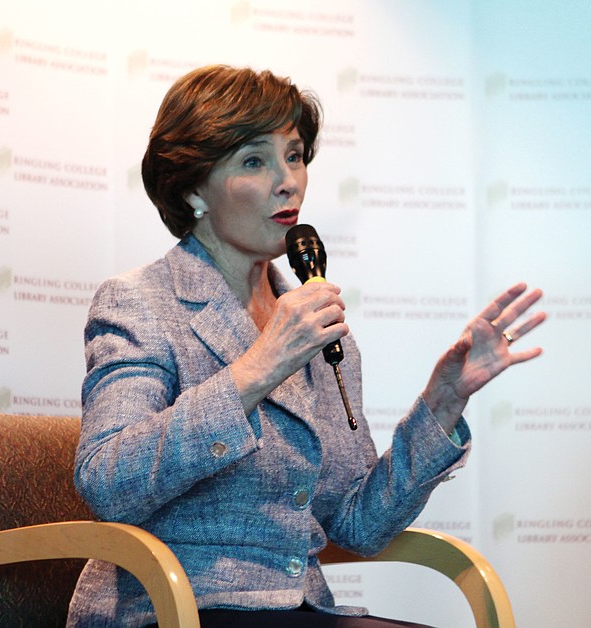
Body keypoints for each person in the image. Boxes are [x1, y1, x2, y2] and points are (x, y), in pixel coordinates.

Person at [67, 65, 545, 628]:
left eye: (294, 156)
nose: (288, 181)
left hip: (298, 609)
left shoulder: (314, 325)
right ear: (193, 188)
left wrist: (442, 404)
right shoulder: (140, 302)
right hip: (169, 608)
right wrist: (259, 367)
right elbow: (107, 481)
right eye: (254, 161)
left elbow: (358, 524)